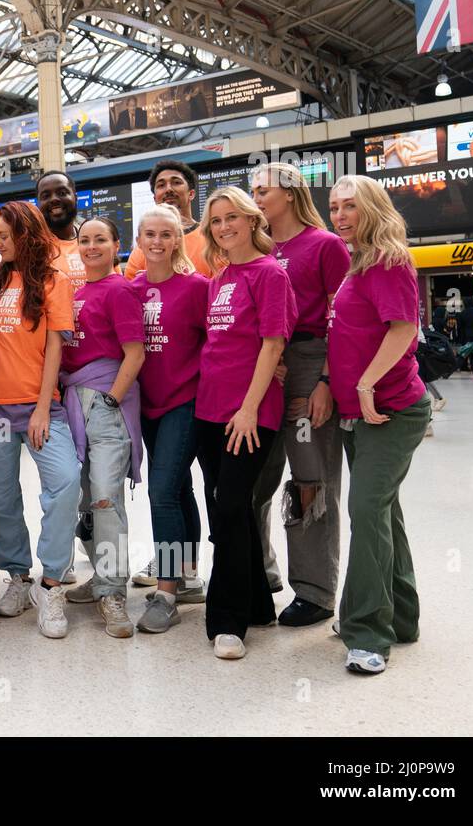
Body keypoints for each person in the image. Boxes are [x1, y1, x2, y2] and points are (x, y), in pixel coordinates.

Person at [327, 175, 431, 675]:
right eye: (334, 207)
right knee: (384, 513)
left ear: (374, 208)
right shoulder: (359, 262)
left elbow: (404, 328)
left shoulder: (388, 260)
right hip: (361, 413)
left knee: (366, 509)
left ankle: (366, 632)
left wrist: (365, 384)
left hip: (390, 409)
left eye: (350, 206)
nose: (340, 215)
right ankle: (403, 618)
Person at [0, 202, 81, 638]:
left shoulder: (54, 281)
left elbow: (56, 347)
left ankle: (52, 581)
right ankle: (17, 575)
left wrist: (40, 406)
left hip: (38, 407)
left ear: (27, 235)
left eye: (3, 235)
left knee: (66, 481)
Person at [195, 187, 297, 661]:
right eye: (215, 220)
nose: (223, 227)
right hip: (209, 411)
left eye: (231, 217)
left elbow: (272, 345)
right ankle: (259, 604)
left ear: (252, 220)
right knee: (227, 509)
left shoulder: (270, 274)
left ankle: (227, 619)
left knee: (230, 506)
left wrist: (250, 408)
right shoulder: (221, 276)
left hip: (248, 414)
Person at [249, 162, 351, 626]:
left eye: (262, 190)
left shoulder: (325, 245)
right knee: (253, 477)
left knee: (310, 482)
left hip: (311, 360)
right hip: (264, 365)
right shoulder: (256, 248)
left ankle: (314, 591)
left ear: (290, 193)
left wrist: (327, 381)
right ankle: (260, 573)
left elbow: (343, 317)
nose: (256, 198)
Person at [58, 217, 145, 638]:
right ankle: (99, 574)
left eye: (100, 240)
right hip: (74, 401)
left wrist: (112, 399)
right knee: (84, 498)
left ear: (116, 245)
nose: (91, 246)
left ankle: (113, 592)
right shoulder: (77, 292)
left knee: (107, 499)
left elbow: (135, 353)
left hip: (106, 403)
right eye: (85, 240)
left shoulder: (121, 289)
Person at [130, 205, 210, 633]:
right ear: (139, 241)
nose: (157, 242)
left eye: (166, 234)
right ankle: (189, 573)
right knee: (178, 488)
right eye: (150, 235)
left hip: (186, 401)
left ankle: (165, 592)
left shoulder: (197, 287)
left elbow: (217, 344)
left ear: (178, 239)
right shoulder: (133, 288)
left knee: (161, 492)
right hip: (148, 405)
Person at [123, 160, 214, 281]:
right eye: (161, 185)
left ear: (191, 194)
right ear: (155, 198)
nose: (168, 189)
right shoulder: (142, 250)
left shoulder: (211, 239)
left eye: (176, 182)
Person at [35, 170, 87, 289]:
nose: (54, 199)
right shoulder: (32, 248)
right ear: (38, 204)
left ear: (75, 198)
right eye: (46, 196)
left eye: (62, 193)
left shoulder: (96, 242)